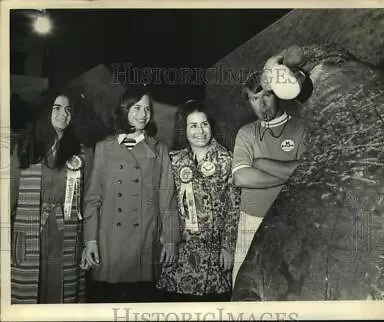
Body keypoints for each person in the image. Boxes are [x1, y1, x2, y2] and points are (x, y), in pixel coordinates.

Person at [82, 84, 180, 303]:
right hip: (109, 242)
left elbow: (168, 198)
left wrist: (171, 240)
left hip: (145, 241)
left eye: (147, 109)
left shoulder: (159, 150)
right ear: (124, 110)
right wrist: (90, 240)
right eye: (136, 108)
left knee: (141, 304)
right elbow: (92, 199)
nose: (143, 114)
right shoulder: (103, 149)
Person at [10, 87, 94, 303]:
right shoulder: (24, 148)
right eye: (57, 108)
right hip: (30, 232)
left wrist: (87, 243)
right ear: (46, 111)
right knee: (28, 294)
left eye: (68, 110)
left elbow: (88, 201)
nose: (63, 114)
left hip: (64, 233)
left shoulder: (82, 153)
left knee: (60, 294)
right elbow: (9, 197)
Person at [231, 55, 307, 285]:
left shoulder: (300, 127)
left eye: (267, 95)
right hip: (251, 220)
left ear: (278, 94)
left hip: (289, 220)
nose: (262, 105)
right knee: (247, 286)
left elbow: (308, 172)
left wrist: (262, 163)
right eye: (255, 98)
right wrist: (289, 176)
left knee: (284, 285)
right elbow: (241, 177)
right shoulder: (245, 133)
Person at [156, 100, 240, 302]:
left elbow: (233, 208)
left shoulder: (227, 160)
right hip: (181, 253)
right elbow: (166, 204)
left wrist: (228, 248)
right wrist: (168, 240)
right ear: (183, 130)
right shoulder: (173, 160)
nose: (200, 131)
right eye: (193, 125)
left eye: (204, 124)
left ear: (211, 126)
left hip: (215, 256)